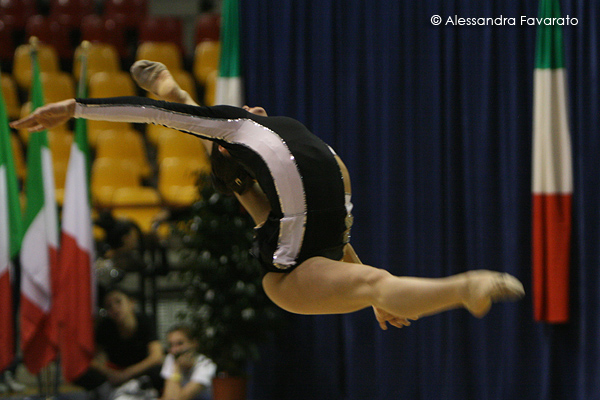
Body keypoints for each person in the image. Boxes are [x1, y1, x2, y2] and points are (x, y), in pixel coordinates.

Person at [10, 62, 525, 331]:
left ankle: (466, 286)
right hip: (305, 237)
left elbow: (159, 118)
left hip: (298, 255)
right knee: (372, 281)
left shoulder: (253, 133)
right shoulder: (285, 134)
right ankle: (460, 286)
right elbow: (158, 117)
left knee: (366, 282)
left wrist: (81, 106)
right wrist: (80, 107)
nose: (249, 106)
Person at [75, 287, 164, 396]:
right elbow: (93, 359)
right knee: (82, 374)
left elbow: (157, 356)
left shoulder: (145, 321)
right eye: (109, 306)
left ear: (131, 303)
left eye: (118, 302)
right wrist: (112, 374)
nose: (114, 308)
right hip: (115, 373)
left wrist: (126, 374)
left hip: (140, 371)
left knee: (159, 371)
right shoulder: (105, 327)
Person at [161, 325, 216, 400]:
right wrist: (177, 368)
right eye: (171, 345)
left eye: (180, 343)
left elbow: (180, 399)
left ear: (194, 343)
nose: (174, 350)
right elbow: (168, 397)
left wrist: (177, 368)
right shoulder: (171, 358)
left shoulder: (206, 365)